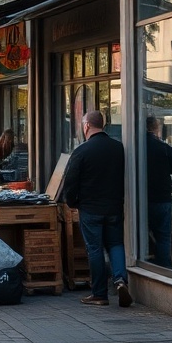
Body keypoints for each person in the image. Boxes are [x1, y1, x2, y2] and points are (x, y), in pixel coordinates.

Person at [63, 110, 132, 308]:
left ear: (86, 126)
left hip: (90, 208)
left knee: (95, 249)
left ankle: (99, 294)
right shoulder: (118, 148)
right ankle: (120, 280)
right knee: (116, 244)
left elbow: (70, 182)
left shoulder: (82, 151)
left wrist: (72, 202)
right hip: (114, 207)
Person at [146, 116, 172, 268]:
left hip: (140, 199)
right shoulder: (163, 148)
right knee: (163, 236)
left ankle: (145, 266)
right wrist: (171, 184)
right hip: (162, 198)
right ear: (156, 128)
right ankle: (164, 268)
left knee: (139, 235)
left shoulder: (134, 147)